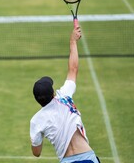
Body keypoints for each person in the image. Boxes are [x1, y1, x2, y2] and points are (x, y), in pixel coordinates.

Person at [30, 24, 101, 163]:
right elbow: (73, 68)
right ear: (53, 94)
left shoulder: (36, 121)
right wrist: (73, 41)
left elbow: (36, 152)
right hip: (88, 158)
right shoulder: (64, 96)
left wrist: (38, 134)